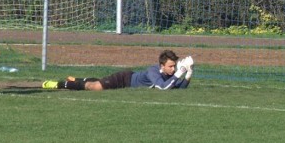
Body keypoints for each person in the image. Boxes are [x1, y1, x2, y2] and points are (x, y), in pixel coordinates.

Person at [42, 50, 193, 91]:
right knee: (96, 87)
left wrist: (188, 73)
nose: (173, 69)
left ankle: (77, 79)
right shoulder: (153, 71)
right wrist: (180, 72)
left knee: (99, 82)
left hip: (127, 82)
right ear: (162, 66)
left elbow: (177, 87)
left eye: (174, 66)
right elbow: (163, 87)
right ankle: (58, 84)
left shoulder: (168, 74)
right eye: (170, 66)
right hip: (123, 79)